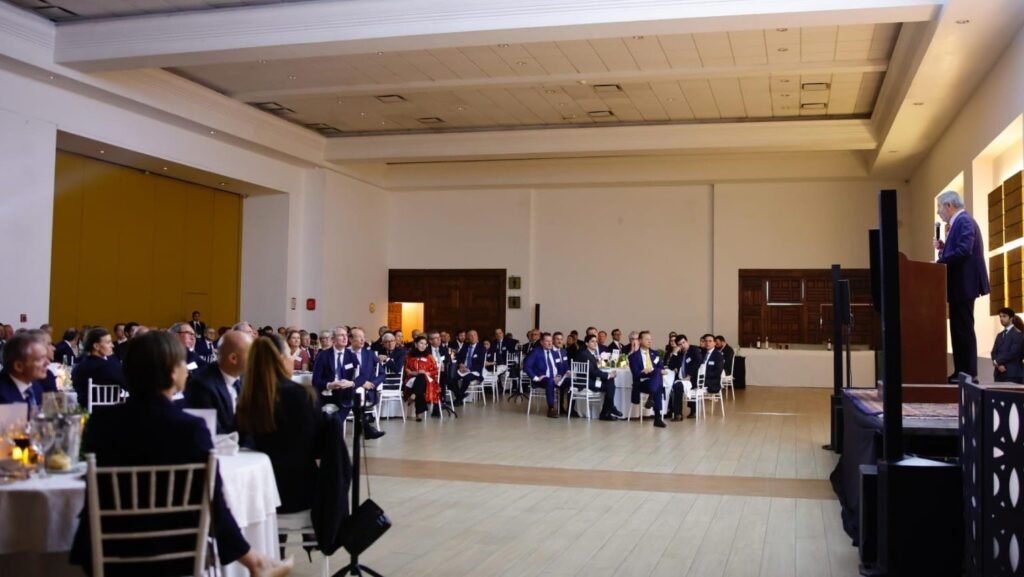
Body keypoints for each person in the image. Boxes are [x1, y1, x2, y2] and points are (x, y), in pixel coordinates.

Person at [69, 331, 291, 577]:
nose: (188, 369)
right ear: (173, 372)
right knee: (209, 495)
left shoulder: (101, 423)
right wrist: (246, 555)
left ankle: (253, 560)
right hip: (176, 550)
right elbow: (212, 500)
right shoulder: (190, 428)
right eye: (183, 363)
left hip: (107, 547)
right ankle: (253, 561)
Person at [237, 334, 324, 517]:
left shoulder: (246, 397)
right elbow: (317, 447)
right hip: (297, 490)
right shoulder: (302, 395)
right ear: (283, 359)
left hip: (257, 491)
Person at [933, 190, 990, 383]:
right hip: (959, 285)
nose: (939, 212)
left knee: (964, 329)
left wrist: (940, 262)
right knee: (958, 329)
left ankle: (968, 373)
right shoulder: (958, 222)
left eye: (940, 207)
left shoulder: (964, 221)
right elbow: (960, 249)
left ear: (949, 205)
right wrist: (943, 248)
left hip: (964, 284)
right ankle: (960, 372)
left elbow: (964, 250)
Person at [184, 330, 253, 434]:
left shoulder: (245, 378)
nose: (255, 359)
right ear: (233, 358)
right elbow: (214, 433)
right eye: (251, 355)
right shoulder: (202, 386)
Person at [0, 332, 56, 405]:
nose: (47, 363)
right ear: (19, 366)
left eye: (45, 357)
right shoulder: (3, 397)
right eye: (40, 359)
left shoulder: (35, 386)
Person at [574, 334, 621, 420]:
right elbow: (593, 372)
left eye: (596, 341)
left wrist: (608, 375)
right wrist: (608, 375)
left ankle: (606, 411)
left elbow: (595, 370)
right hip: (587, 382)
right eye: (592, 341)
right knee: (609, 384)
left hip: (592, 380)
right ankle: (608, 410)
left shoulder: (590, 354)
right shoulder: (585, 355)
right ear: (586, 343)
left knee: (610, 382)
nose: (595, 343)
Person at [71, 327, 127, 399]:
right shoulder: (110, 367)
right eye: (108, 342)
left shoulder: (78, 367)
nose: (112, 345)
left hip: (84, 405)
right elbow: (127, 385)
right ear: (96, 346)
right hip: (111, 405)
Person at [522, 332, 567, 418]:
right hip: (542, 379)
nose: (550, 343)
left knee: (571, 381)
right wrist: (536, 378)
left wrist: (559, 376)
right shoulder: (536, 352)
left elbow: (560, 367)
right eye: (547, 341)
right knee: (550, 381)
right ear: (542, 342)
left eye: (551, 341)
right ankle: (551, 408)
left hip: (556, 378)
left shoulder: (554, 352)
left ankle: (569, 409)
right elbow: (527, 366)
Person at [628, 331, 666, 428]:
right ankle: (657, 418)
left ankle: (651, 397)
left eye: (650, 339)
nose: (650, 341)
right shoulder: (633, 357)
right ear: (640, 340)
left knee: (656, 375)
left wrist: (661, 371)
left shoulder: (655, 354)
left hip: (653, 381)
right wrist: (644, 371)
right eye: (647, 339)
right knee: (657, 382)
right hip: (642, 382)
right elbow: (636, 374)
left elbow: (661, 367)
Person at [403, 335, 440, 421]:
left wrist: (427, 373)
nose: (423, 346)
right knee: (420, 383)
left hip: (427, 380)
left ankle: (414, 395)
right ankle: (418, 413)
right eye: (421, 343)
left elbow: (436, 371)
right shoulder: (409, 356)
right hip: (412, 379)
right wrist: (415, 373)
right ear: (416, 344)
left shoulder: (429, 357)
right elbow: (406, 369)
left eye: (425, 344)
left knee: (422, 377)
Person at [667, 334, 701, 420]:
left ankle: (678, 414)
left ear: (687, 341)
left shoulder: (694, 350)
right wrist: (674, 353)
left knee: (677, 386)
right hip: (681, 379)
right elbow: (670, 366)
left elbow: (697, 363)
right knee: (670, 385)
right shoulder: (679, 353)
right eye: (680, 344)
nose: (682, 345)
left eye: (683, 342)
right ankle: (671, 411)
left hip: (693, 378)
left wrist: (689, 375)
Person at [991, 307, 1024, 384]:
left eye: (1004, 316)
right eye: (1000, 316)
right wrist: (998, 365)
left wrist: (997, 361)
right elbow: (994, 352)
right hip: (998, 374)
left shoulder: (1018, 334)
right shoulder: (999, 335)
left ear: (1011, 318)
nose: (1001, 319)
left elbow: (1013, 353)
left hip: (1012, 374)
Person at [454, 330, 486, 405]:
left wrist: (468, 369)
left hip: (474, 371)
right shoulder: (465, 346)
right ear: (468, 337)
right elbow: (458, 357)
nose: (473, 337)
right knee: (452, 377)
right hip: (462, 369)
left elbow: (480, 364)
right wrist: (460, 364)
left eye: (474, 335)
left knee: (467, 378)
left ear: (477, 337)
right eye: (470, 336)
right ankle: (460, 395)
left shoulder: (481, 348)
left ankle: (459, 398)